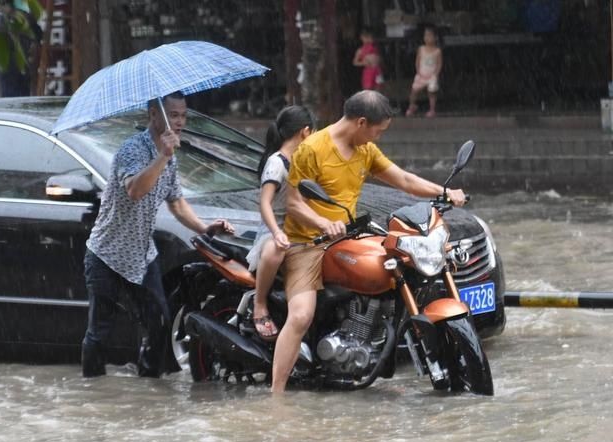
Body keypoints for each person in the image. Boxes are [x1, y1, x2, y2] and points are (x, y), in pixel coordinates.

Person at [271, 90, 466, 393]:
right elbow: (294, 203)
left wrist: (443, 192)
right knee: (300, 315)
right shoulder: (312, 149)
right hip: (307, 241)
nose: (378, 136)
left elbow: (403, 180)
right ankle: (276, 397)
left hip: (349, 235)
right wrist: (324, 222)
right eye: (378, 129)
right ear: (362, 122)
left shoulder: (365, 151)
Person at [81, 91, 234, 378]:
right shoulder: (132, 150)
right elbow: (135, 190)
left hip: (141, 255)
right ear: (153, 115)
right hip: (106, 254)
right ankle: (92, 390)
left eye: (183, 115)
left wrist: (204, 227)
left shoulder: (170, 158)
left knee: (160, 323)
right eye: (173, 115)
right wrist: (162, 157)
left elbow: (176, 202)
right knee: (100, 332)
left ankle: (149, 384)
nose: (179, 122)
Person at [245, 106, 315, 341]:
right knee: (276, 249)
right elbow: (264, 203)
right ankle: (260, 303)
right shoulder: (277, 162)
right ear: (305, 132)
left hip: (300, 228)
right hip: (274, 228)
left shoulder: (304, 160)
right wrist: (276, 233)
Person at [0, 0, 42, 97]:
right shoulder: (24, 16)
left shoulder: (1, 20)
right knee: (22, 92)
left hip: (9, 66)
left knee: (10, 94)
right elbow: (39, 35)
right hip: (23, 63)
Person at [405, 25, 442, 118]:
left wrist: (436, 74)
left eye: (430, 36)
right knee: (414, 91)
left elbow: (439, 64)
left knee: (431, 92)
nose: (427, 38)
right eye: (426, 35)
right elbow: (417, 61)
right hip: (421, 74)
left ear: (435, 38)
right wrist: (418, 71)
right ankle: (412, 106)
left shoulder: (437, 51)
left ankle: (432, 109)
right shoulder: (421, 49)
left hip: (432, 75)